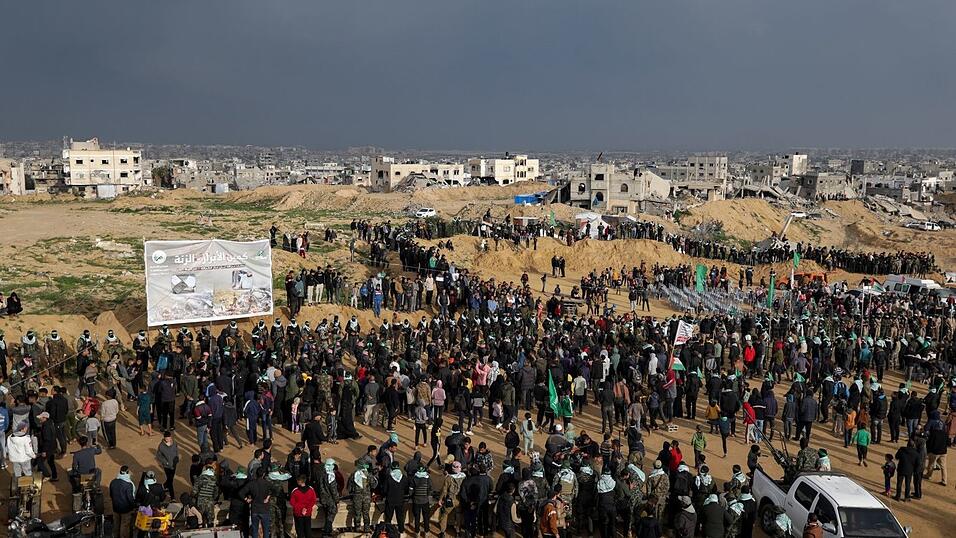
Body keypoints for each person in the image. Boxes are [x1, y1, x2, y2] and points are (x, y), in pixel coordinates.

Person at [109, 466, 137, 538]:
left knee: (116, 524)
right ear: (127, 472)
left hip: (115, 507)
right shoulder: (129, 485)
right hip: (126, 509)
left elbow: (111, 495)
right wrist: (134, 506)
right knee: (124, 526)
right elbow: (130, 498)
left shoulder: (113, 482)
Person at [156, 431, 180, 498]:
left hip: (174, 465)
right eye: (166, 439)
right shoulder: (161, 446)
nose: (167, 440)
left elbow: (176, 451)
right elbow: (158, 456)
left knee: (170, 479)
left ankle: (163, 486)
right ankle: (172, 497)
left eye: (168, 438)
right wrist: (165, 462)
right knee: (170, 480)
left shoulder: (174, 443)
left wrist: (177, 458)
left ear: (170, 437)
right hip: (166, 466)